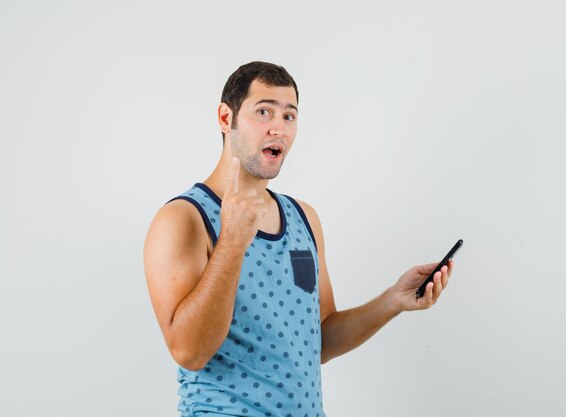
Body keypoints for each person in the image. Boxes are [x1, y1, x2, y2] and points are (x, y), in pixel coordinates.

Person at [143, 61, 454, 417]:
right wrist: (231, 241)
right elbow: (189, 352)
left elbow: (318, 340)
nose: (279, 128)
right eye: (264, 112)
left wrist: (392, 301)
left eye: (289, 116)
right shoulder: (183, 219)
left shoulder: (303, 217)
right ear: (225, 119)